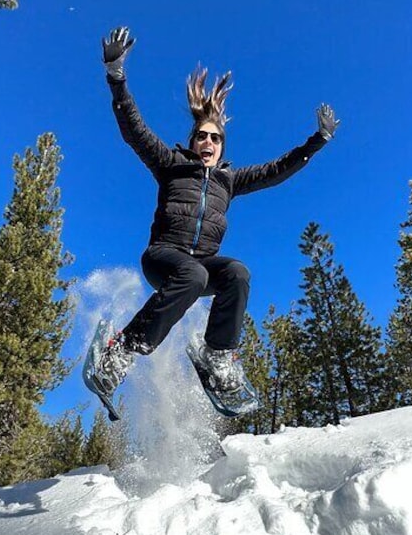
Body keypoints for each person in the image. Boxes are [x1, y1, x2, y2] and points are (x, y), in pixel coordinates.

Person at [91, 26, 339, 407]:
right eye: (202, 137)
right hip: (164, 257)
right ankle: (122, 351)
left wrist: (316, 143)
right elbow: (134, 131)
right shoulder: (171, 164)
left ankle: (218, 355)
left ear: (222, 147)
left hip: (201, 266)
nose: (208, 142)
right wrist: (116, 77)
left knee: (236, 273)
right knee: (193, 274)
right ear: (192, 143)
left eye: (215, 138)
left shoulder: (231, 180)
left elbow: (277, 170)